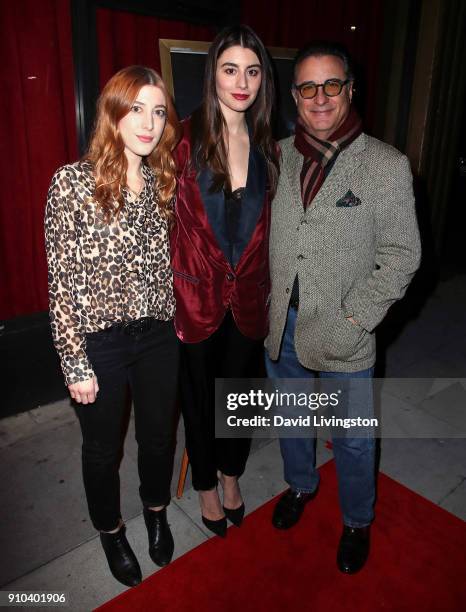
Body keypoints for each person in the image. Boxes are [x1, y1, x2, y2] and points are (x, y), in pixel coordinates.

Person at [265, 42, 421, 573]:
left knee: (353, 439)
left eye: (332, 84)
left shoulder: (386, 165)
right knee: (291, 418)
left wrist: (355, 319)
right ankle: (301, 485)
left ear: (350, 90)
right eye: (308, 87)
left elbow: (402, 255)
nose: (321, 98)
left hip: (347, 331)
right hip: (282, 322)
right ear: (295, 96)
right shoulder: (281, 156)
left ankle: (357, 519)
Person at [44, 66, 181, 587]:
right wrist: (74, 360)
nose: (148, 123)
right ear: (113, 113)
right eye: (137, 109)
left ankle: (155, 509)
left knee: (158, 437)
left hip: (158, 335)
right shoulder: (72, 182)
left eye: (159, 111)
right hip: (99, 340)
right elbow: (61, 283)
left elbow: (164, 263)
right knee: (103, 448)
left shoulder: (160, 179)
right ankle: (111, 528)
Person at [171, 25, 279, 537]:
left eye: (252, 71)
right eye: (230, 69)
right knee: (199, 396)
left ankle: (230, 474)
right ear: (212, 73)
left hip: (251, 298)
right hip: (195, 296)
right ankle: (207, 488)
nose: (242, 82)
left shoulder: (267, 146)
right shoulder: (183, 138)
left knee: (242, 394)